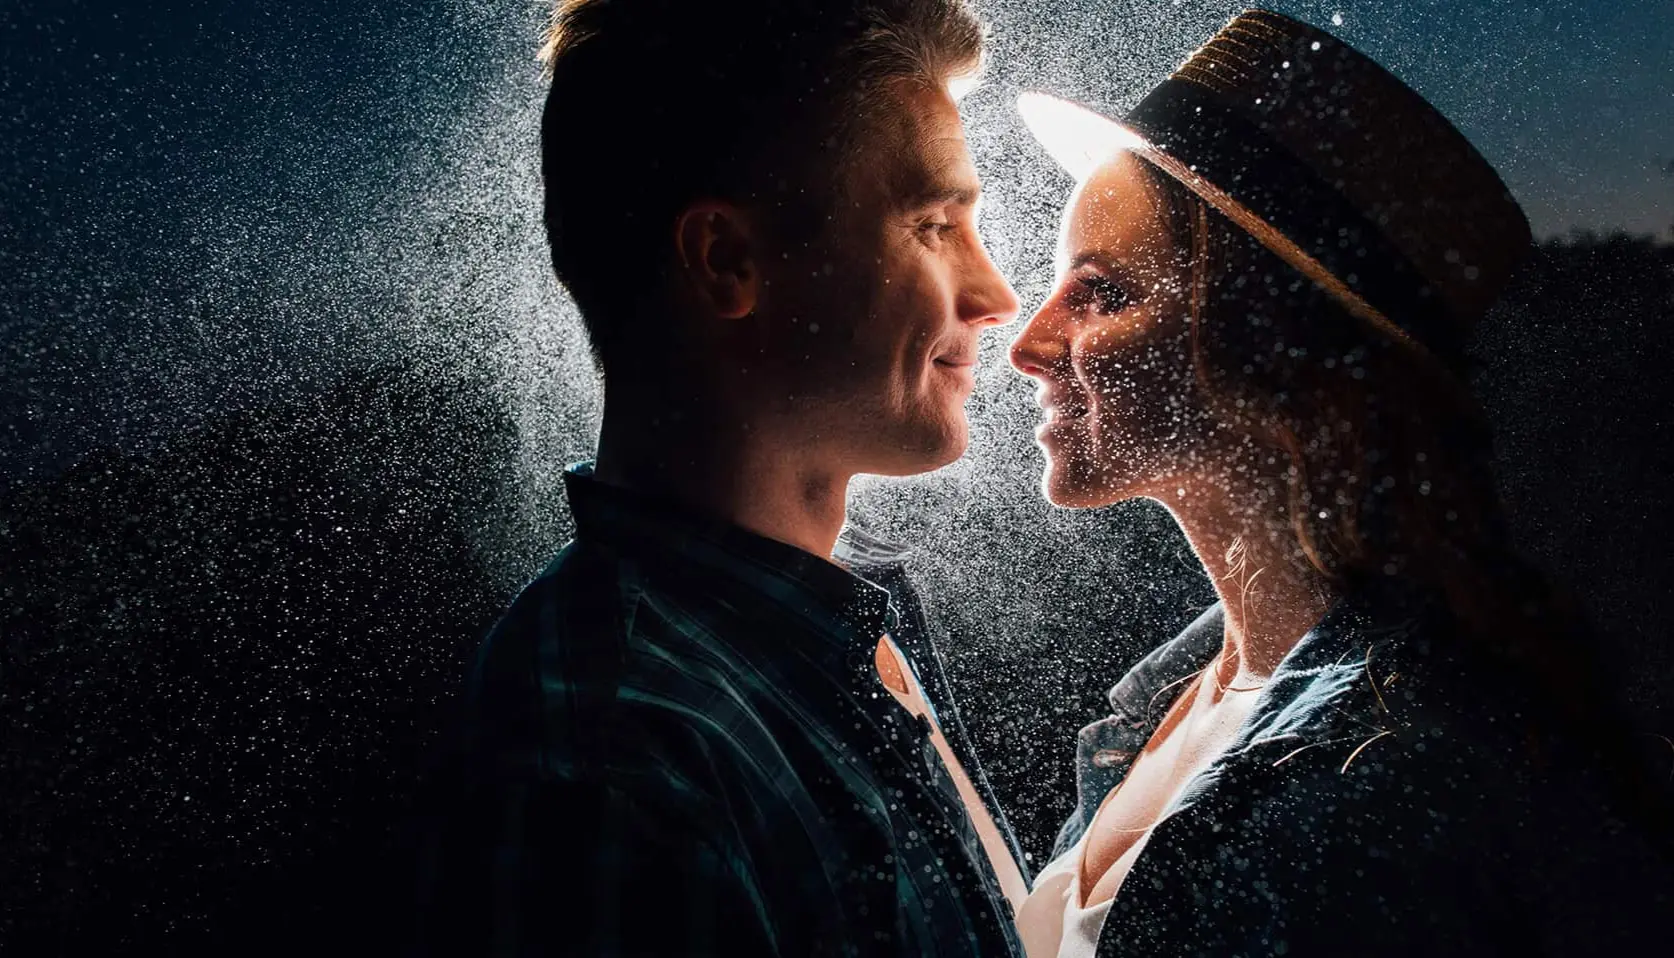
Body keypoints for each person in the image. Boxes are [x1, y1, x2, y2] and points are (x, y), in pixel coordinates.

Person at [1007, 9, 1672, 956]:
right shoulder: (1164, 700)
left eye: (1103, 292)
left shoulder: (1399, 788)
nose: (1029, 346)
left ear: (1275, 354)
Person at [409, 1, 1029, 955]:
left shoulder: (854, 615)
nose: (996, 296)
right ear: (726, 260)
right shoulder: (612, 770)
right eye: (935, 224)